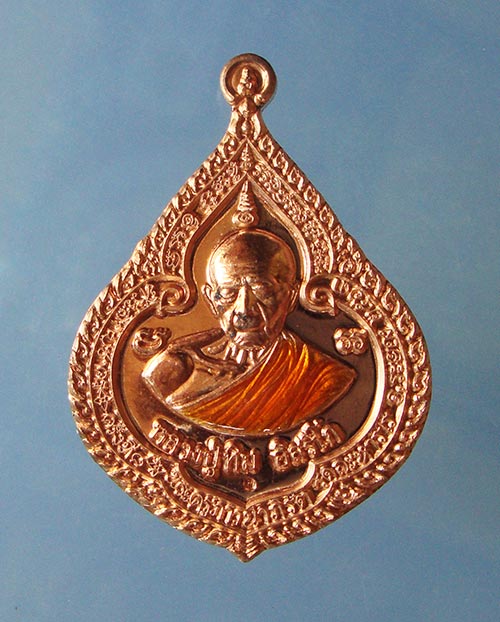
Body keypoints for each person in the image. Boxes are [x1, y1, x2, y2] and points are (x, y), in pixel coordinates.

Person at [142, 186, 355, 436]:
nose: (244, 310)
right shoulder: (178, 369)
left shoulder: (322, 377)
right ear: (210, 299)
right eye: (228, 293)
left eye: (262, 290)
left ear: (291, 296)